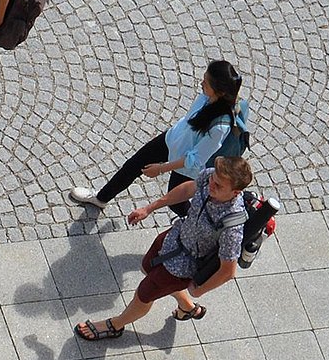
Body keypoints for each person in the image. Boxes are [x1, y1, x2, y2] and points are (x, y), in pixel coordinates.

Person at [75, 156, 253, 339]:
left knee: (144, 294)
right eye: (212, 180)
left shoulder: (232, 226)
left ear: (236, 192)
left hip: (183, 266)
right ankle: (188, 307)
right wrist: (149, 208)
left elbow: (228, 272)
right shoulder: (211, 177)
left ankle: (114, 326)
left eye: (219, 186)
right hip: (173, 238)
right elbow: (188, 189)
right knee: (146, 268)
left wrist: (200, 289)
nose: (211, 186)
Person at [67, 61, 247, 215]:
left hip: (183, 165)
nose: (201, 83)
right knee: (133, 165)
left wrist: (161, 169)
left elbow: (194, 159)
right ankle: (101, 198)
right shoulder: (208, 97)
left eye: (206, 82)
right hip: (171, 139)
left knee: (176, 202)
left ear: (220, 92)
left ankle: (199, 222)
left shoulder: (220, 127)